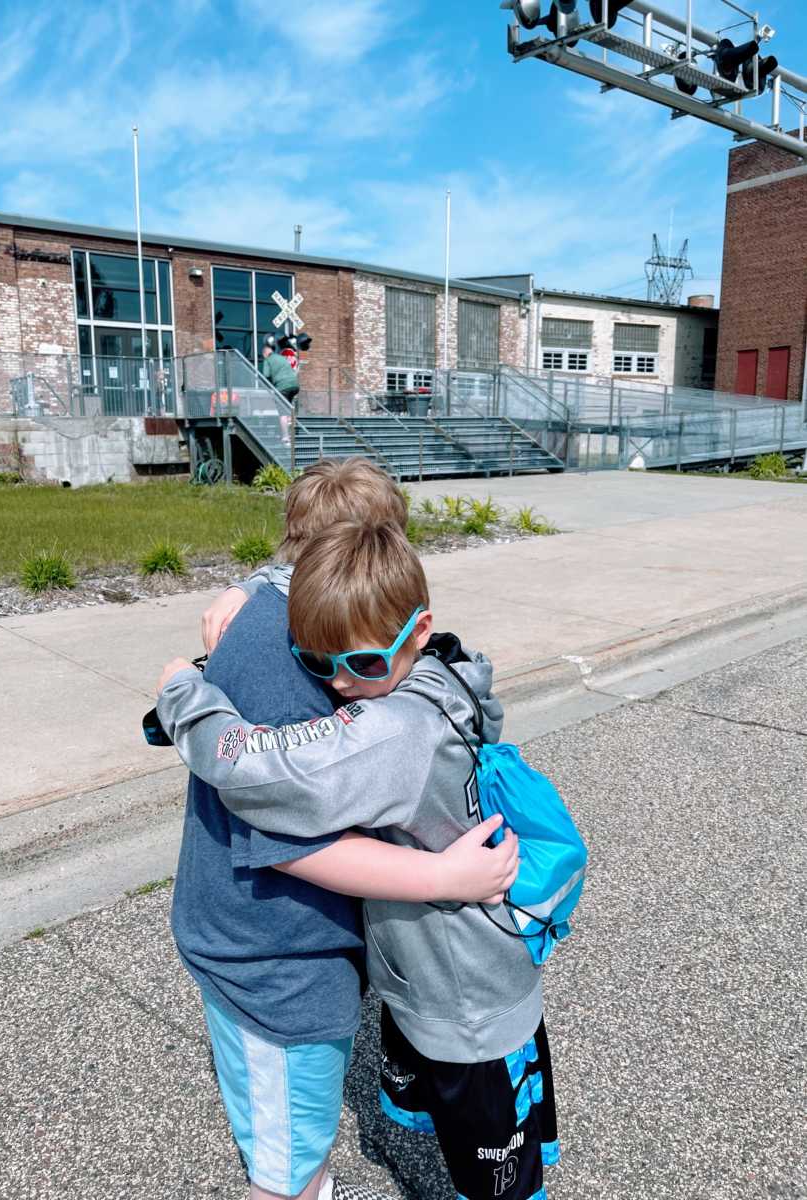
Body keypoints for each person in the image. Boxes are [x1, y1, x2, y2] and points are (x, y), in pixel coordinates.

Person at [157, 520, 560, 1200]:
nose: (341, 685)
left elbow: (262, 772)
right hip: (465, 964)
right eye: (318, 664)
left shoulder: (393, 730)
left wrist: (181, 694)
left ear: (420, 629)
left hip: (464, 996)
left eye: (364, 664)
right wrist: (253, 582)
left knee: (497, 1174)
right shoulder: (450, 673)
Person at [261, 336, 300, 445]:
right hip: (295, 385)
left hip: (283, 387)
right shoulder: (281, 357)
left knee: (282, 413)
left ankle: (286, 438)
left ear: (265, 354)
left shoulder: (268, 360)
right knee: (288, 408)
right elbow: (291, 369)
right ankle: (293, 431)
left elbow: (266, 375)